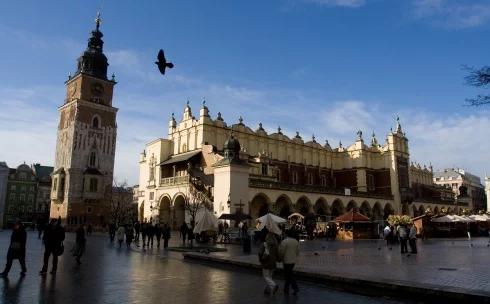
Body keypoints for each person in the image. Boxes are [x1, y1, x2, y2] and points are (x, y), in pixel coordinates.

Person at [278, 229, 300, 295]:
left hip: (286, 260)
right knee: (288, 274)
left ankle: (294, 287)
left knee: (288, 275)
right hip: (293, 260)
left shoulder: (284, 242)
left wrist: (280, 258)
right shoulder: (296, 241)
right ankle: (286, 289)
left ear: (286, 234)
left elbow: (281, 252)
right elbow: (297, 251)